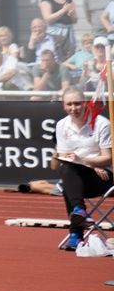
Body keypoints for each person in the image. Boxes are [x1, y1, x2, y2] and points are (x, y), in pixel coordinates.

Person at [51, 86, 113, 251]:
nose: (73, 108)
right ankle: (79, 212)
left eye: (77, 104)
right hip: (79, 175)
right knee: (68, 171)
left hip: (103, 177)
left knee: (69, 182)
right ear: (63, 106)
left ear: (85, 103)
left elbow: (108, 158)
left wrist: (87, 162)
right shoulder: (62, 125)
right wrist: (90, 163)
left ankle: (76, 233)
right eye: (69, 104)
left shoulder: (101, 124)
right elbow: (64, 157)